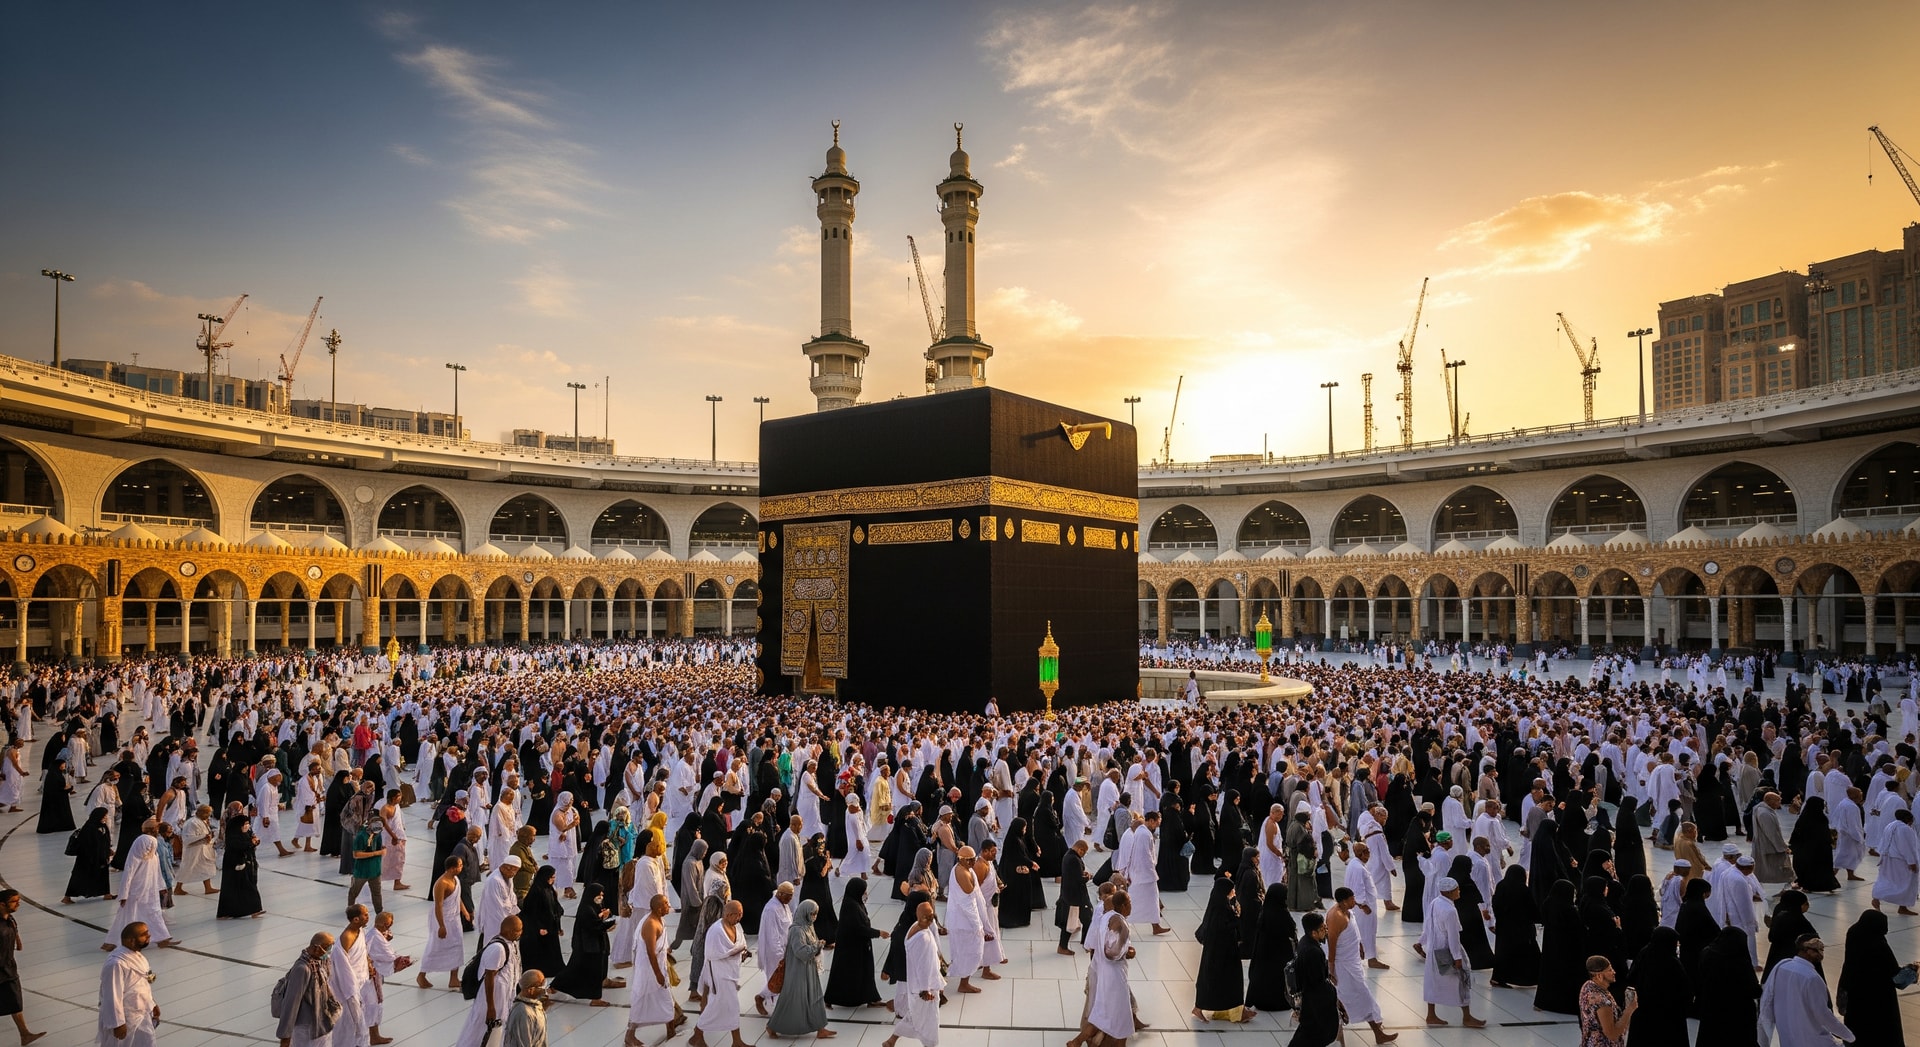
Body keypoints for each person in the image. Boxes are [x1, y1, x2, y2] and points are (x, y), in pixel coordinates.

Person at [1325, 887, 1396, 1044]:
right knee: (1354, 998)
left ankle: (1376, 1032)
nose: (1354, 901)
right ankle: (1374, 1032)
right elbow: (1332, 945)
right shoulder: (1335, 917)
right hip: (1343, 967)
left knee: (1360, 997)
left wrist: (1360, 946)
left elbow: (1353, 931)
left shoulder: (1348, 911)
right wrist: (1331, 970)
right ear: (1344, 901)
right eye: (1352, 899)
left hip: (1353, 962)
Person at [1836, 909, 1914, 1047]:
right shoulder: (1878, 945)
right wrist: (1913, 970)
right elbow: (1898, 979)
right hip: (1879, 1001)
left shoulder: (1854, 935)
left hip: (1855, 999)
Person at [1757, 935, 1853, 1045]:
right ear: (1808, 951)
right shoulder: (1812, 978)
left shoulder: (1782, 967)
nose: (1821, 955)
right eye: (1818, 951)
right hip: (1812, 1040)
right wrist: (1849, 1036)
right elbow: (1823, 1015)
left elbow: (1769, 998)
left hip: (1788, 1038)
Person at [1418, 877, 1485, 1027]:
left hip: (1434, 950)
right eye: (1456, 889)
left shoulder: (1435, 902)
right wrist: (1457, 957)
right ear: (1449, 892)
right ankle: (1467, 1017)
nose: (1459, 891)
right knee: (1462, 981)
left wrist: (1421, 941)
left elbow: (1428, 925)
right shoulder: (1450, 911)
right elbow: (1453, 936)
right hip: (1446, 952)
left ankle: (1431, 1015)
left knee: (1433, 982)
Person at [765, 898, 835, 1039]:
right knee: (792, 999)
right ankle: (772, 1026)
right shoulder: (797, 930)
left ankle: (821, 1028)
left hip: (809, 969)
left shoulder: (808, 926)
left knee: (815, 997)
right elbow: (801, 952)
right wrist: (817, 946)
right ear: (805, 913)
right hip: (797, 971)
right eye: (812, 914)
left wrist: (817, 945)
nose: (814, 917)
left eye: (815, 914)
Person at [626, 894, 686, 1047]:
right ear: (659, 909)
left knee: (667, 1001)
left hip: (659, 967)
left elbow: (660, 945)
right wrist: (658, 974)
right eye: (666, 904)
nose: (668, 905)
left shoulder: (660, 919)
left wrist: (666, 951)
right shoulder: (651, 924)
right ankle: (629, 1036)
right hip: (648, 971)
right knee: (641, 1001)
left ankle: (671, 1031)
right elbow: (650, 952)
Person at [880, 901, 943, 1047]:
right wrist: (925, 990)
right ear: (918, 915)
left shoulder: (914, 927)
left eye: (931, 915)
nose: (930, 919)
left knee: (915, 1016)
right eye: (926, 916)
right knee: (929, 1021)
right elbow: (923, 967)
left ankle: (891, 1040)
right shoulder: (923, 939)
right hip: (925, 988)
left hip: (916, 985)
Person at [454, 914, 523, 1047]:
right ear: (509, 931)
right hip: (491, 999)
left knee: (497, 1031)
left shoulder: (512, 944)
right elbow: (489, 977)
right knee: (477, 1031)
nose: (521, 932)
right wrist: (490, 1007)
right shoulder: (498, 949)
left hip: (504, 998)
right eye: (519, 930)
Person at [690, 900, 751, 1047]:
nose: (740, 918)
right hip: (719, 974)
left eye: (741, 914)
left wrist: (742, 953)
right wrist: (733, 952)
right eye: (737, 915)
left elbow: (741, 944)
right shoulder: (716, 930)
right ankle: (697, 1034)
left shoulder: (737, 927)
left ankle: (736, 1041)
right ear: (728, 914)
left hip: (731, 973)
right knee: (717, 1006)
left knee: (732, 1006)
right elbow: (712, 954)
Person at [823, 877, 886, 1008]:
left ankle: (871, 998)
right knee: (845, 973)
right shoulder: (850, 906)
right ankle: (831, 998)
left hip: (858, 946)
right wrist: (878, 933)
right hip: (850, 948)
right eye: (864, 891)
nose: (866, 893)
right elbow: (858, 928)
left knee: (863, 973)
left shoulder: (856, 903)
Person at [552, 882, 619, 1003]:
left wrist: (603, 916)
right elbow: (595, 926)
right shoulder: (586, 909)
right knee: (580, 969)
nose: (601, 897)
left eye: (602, 895)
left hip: (593, 944)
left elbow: (597, 921)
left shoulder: (594, 905)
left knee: (579, 968)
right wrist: (610, 922)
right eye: (599, 895)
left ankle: (555, 986)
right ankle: (594, 998)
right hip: (587, 946)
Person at [1693, 926, 1760, 1047]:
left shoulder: (1707, 953)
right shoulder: (1739, 961)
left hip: (1711, 1009)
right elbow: (1754, 990)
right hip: (1736, 1015)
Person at [1191, 875, 1246, 1022]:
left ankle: (1232, 1009)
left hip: (1223, 952)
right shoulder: (1220, 909)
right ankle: (1199, 1007)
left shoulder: (1221, 905)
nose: (1233, 891)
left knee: (1222, 981)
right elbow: (1223, 928)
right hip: (1220, 953)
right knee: (1214, 980)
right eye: (1231, 889)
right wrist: (1237, 919)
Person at [1083, 890, 1134, 1047]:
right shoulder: (1120, 924)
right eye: (1130, 903)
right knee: (1121, 1014)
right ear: (1123, 905)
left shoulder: (1106, 917)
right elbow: (1111, 952)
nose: (1131, 906)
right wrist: (1127, 952)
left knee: (1103, 1013)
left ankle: (1077, 1041)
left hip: (1104, 971)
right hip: (1115, 975)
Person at [1625, 926, 1691, 1047]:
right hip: (1669, 1016)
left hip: (1643, 1012)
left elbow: (1631, 977)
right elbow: (1685, 990)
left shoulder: (1644, 953)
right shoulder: (1673, 963)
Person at [98, 922, 159, 1047]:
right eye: (144, 934)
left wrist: (152, 1004)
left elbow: (141, 985)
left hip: (142, 1014)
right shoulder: (116, 964)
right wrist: (117, 1023)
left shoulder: (138, 956)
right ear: (131, 940)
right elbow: (112, 995)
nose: (148, 936)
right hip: (125, 1018)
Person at [328, 907, 383, 1047]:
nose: (368, 916)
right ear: (356, 919)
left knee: (367, 1010)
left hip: (363, 981)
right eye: (365, 914)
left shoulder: (360, 930)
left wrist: (369, 965)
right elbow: (342, 966)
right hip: (349, 986)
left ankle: (368, 1039)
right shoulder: (347, 937)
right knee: (351, 1020)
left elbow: (363, 951)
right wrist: (351, 990)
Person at [273, 932, 336, 1047]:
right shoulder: (302, 969)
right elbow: (291, 1003)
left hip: (321, 1025)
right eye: (328, 948)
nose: (329, 951)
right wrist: (285, 1037)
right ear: (316, 948)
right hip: (306, 1029)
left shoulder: (319, 962)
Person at [1288, 912, 1340, 1047]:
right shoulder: (1313, 952)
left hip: (1309, 999)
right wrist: (1332, 993)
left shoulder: (1304, 942)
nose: (1326, 930)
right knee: (1312, 1035)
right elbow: (1317, 982)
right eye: (1322, 928)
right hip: (1314, 1002)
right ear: (1314, 933)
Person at [0, 891, 45, 1045]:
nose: (18, 904)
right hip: (2, 969)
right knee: (13, 1000)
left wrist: (18, 943)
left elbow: (14, 930)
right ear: (2, 904)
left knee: (15, 1001)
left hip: (8, 968)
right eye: (14, 901)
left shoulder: (10, 918)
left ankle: (24, 1034)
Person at [1490, 865, 1540, 988]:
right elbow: (1532, 909)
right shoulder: (1523, 889)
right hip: (1521, 928)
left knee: (1503, 952)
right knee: (1527, 953)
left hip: (1504, 926)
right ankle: (1530, 978)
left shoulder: (1501, 885)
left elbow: (1495, 903)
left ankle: (1498, 978)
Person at [217, 804, 265, 919]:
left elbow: (250, 842)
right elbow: (236, 846)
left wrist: (254, 842)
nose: (247, 826)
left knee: (249, 886)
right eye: (245, 824)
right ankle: (227, 912)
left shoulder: (245, 832)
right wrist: (250, 843)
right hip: (234, 864)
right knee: (233, 889)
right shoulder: (232, 833)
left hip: (247, 863)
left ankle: (254, 910)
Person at [1577, 955, 1637, 1047]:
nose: (1614, 972)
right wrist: (1629, 1010)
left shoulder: (1587, 986)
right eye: (1609, 970)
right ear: (1599, 975)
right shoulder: (1602, 1002)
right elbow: (1612, 1035)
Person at [1871, 809, 1919, 916]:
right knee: (1904, 883)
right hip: (1900, 860)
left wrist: (1881, 857)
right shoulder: (1905, 829)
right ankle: (1901, 906)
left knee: (1886, 880)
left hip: (1887, 858)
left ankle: (1878, 898)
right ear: (1907, 819)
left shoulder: (1890, 825)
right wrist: (1911, 862)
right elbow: (1907, 847)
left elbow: (1883, 842)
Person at [62, 807, 114, 904]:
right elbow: (89, 844)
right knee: (79, 877)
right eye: (104, 816)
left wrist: (107, 850)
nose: (106, 817)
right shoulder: (89, 828)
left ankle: (107, 894)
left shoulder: (102, 826)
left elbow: (104, 841)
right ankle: (67, 897)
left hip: (100, 857)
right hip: (87, 858)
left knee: (102, 875)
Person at [1055, 839, 1093, 956]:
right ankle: (1064, 946)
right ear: (1080, 849)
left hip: (1070, 895)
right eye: (1083, 852)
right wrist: (1088, 877)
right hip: (1075, 897)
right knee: (1074, 921)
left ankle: (1085, 942)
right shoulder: (1074, 859)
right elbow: (1078, 880)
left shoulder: (1068, 855)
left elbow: (1074, 875)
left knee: (1084, 919)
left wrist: (1082, 874)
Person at [347, 812, 387, 914]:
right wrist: (377, 853)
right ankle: (350, 911)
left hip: (375, 870)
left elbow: (379, 847)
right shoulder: (361, 836)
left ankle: (379, 913)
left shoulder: (377, 834)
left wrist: (382, 849)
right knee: (354, 892)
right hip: (362, 871)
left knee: (377, 893)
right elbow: (356, 854)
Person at [177, 804, 218, 895]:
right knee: (187, 868)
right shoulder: (192, 823)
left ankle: (208, 888)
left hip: (203, 850)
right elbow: (187, 839)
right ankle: (177, 888)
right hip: (193, 851)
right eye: (207, 814)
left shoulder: (201, 821)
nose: (208, 816)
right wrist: (204, 837)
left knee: (206, 867)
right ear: (201, 812)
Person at [503, 971, 549, 1047]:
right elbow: (523, 1043)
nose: (544, 990)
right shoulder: (523, 1013)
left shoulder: (534, 1006)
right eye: (542, 986)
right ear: (531, 990)